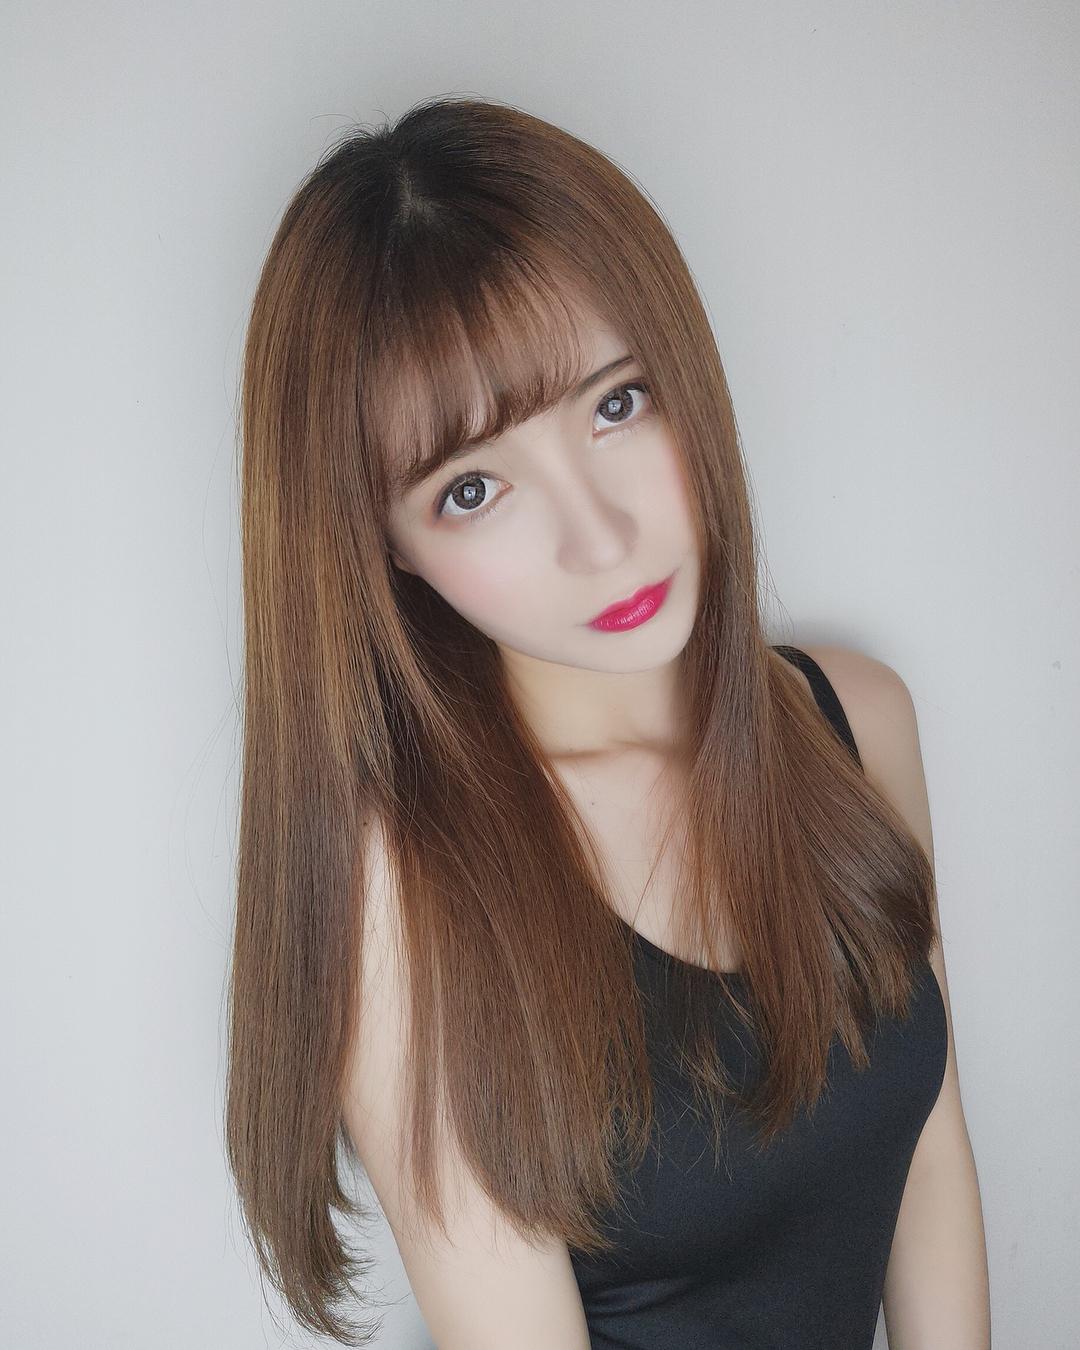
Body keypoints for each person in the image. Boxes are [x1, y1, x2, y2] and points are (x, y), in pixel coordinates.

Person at [224, 94, 991, 1348]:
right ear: (383, 549)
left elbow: (930, 1154)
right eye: (473, 488)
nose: (600, 536)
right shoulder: (404, 891)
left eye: (617, 404)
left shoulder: (858, 719)